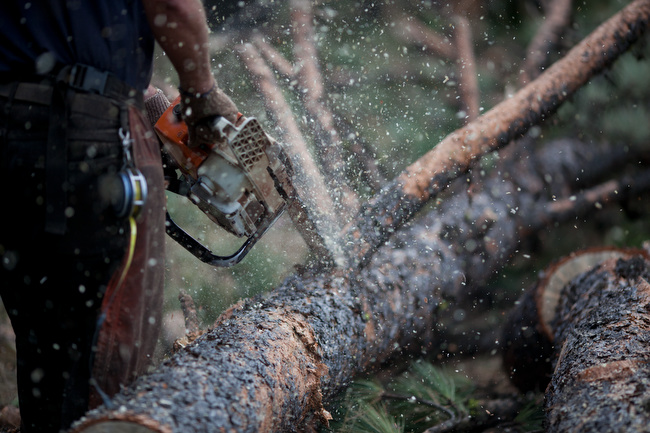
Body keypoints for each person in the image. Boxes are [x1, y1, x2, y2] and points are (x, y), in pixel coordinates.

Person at [0, 1, 238, 431]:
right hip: (76, 134)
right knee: (104, 351)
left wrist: (137, 97)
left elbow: (47, 36)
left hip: (17, 122)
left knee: (42, 335)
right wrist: (202, 95)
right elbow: (173, 6)